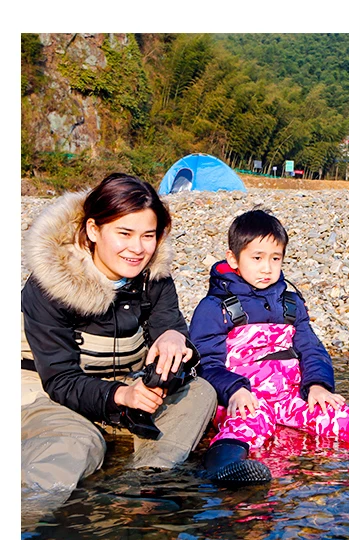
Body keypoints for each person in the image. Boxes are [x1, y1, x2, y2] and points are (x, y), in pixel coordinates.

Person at [189, 209, 349, 486]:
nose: (267, 268)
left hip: (289, 396)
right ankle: (224, 467)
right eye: (257, 258)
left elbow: (312, 349)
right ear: (233, 259)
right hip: (244, 398)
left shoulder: (290, 302)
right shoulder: (214, 308)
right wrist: (234, 390)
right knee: (247, 426)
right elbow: (205, 363)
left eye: (276, 259)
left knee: (335, 415)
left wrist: (318, 385)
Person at [21, 173, 216, 511]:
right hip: (49, 394)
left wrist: (175, 340)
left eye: (148, 236)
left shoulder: (154, 278)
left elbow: (171, 328)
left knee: (201, 393)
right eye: (124, 234)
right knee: (78, 444)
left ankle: (146, 483)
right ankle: (26, 515)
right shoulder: (48, 285)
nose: (137, 248)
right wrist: (121, 396)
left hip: (123, 389)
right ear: (94, 230)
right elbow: (60, 380)